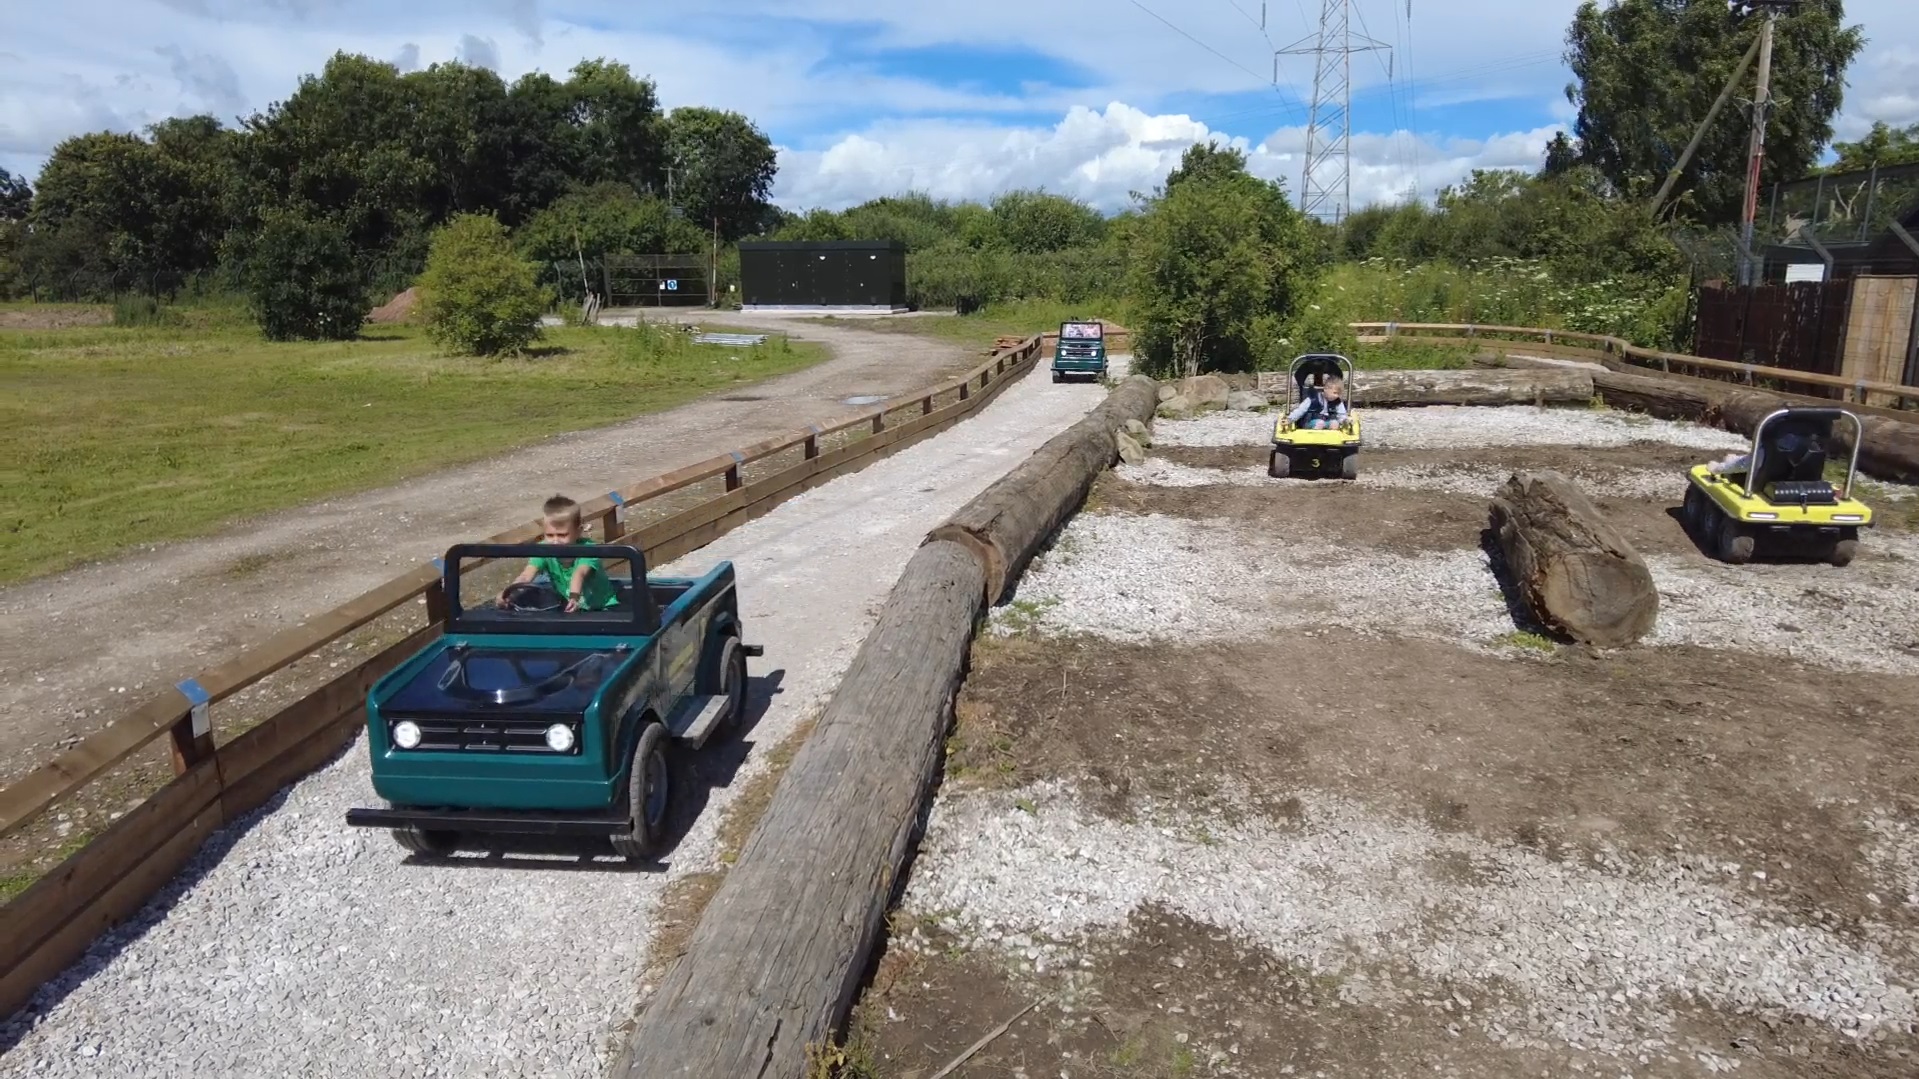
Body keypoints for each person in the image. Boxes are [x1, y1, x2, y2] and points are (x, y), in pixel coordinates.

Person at [498, 494, 620, 612]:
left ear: (578, 532)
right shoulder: (544, 550)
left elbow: (579, 573)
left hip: (601, 607)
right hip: (569, 605)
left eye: (562, 535)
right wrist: (508, 593)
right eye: (550, 535)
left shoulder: (588, 549)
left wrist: (574, 597)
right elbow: (527, 574)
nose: (555, 541)